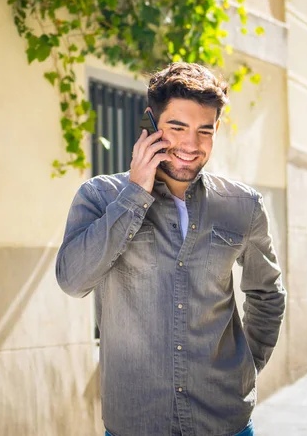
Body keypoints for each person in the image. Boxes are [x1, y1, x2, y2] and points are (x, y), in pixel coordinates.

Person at [55, 62, 287, 436]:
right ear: (150, 123)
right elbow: (72, 280)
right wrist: (135, 195)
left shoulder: (243, 206)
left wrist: (244, 368)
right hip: (136, 424)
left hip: (224, 423)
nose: (191, 145)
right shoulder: (100, 197)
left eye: (204, 131)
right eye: (177, 127)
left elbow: (267, 296)